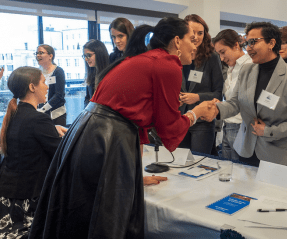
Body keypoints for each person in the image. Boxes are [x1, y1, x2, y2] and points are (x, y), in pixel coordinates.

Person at [29, 17, 216, 239]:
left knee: (79, 214)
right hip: (108, 139)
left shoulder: (142, 59)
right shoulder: (167, 64)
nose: (195, 46)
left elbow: (134, 115)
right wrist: (197, 113)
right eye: (191, 40)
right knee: (106, 220)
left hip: (87, 132)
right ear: (177, 41)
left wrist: (134, 174)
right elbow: (170, 131)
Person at [210, 22, 287, 167]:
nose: (249, 48)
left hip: (277, 156)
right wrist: (216, 109)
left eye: (253, 42)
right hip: (245, 150)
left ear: (271, 43)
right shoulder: (247, 71)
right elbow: (235, 103)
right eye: (247, 43)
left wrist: (269, 131)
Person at [0, 67, 67, 238]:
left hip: (9, 194)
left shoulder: (14, 115)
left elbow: (29, 136)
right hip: (27, 198)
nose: (46, 87)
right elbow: (62, 155)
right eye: (43, 83)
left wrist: (51, 129)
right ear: (32, 87)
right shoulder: (38, 119)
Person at [179, 14, 223, 154]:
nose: (196, 37)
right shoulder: (177, 55)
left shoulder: (212, 58)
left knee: (199, 163)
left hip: (202, 122)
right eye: (193, 32)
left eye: (200, 33)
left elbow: (218, 93)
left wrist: (197, 97)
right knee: (179, 161)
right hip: (180, 118)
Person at [212, 29, 252, 160]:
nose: (222, 58)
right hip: (227, 125)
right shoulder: (230, 68)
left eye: (223, 52)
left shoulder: (250, 66)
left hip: (242, 126)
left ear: (236, 45)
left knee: (239, 173)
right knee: (227, 170)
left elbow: (246, 100)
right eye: (219, 54)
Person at [36, 44, 67, 126]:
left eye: (41, 53)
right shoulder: (37, 72)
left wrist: (43, 109)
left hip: (57, 115)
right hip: (41, 113)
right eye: (36, 53)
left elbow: (59, 95)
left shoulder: (58, 71)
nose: (38, 55)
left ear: (50, 56)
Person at [82, 39, 109, 107]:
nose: (86, 59)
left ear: (99, 54)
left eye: (89, 55)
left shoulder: (111, 73)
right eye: (84, 56)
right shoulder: (92, 73)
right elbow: (87, 98)